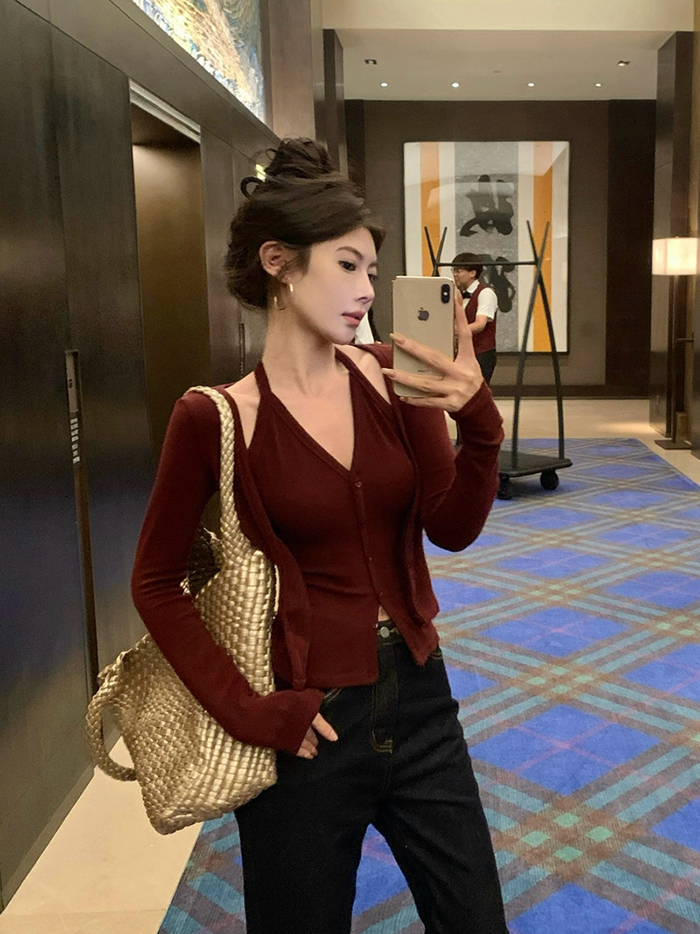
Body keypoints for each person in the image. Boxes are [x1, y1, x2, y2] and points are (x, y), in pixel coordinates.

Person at [131, 139, 508, 934]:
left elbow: (452, 528)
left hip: (420, 695)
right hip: (303, 720)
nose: (367, 290)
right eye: (347, 265)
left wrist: (478, 422)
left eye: (373, 269)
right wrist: (253, 713)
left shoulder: (393, 378)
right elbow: (155, 583)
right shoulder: (215, 416)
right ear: (279, 263)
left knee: (475, 920)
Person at [452, 251, 498, 385]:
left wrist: (455, 331)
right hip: (462, 353)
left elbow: (480, 324)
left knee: (476, 392)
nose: (455, 274)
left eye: (459, 271)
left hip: (481, 353)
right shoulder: (459, 294)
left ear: (472, 273)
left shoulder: (485, 293)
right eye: (453, 270)